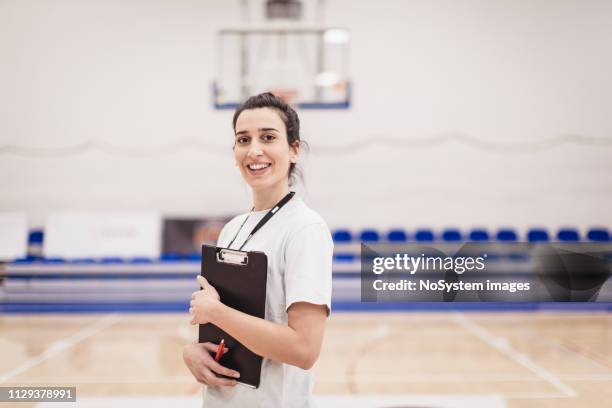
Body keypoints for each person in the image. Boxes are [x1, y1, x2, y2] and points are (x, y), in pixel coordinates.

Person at [183, 92, 334, 407]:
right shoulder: (232, 228)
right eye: (243, 139)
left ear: (293, 150)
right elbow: (224, 332)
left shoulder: (305, 229)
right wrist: (194, 352)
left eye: (268, 137)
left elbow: (304, 350)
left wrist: (216, 312)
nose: (254, 150)